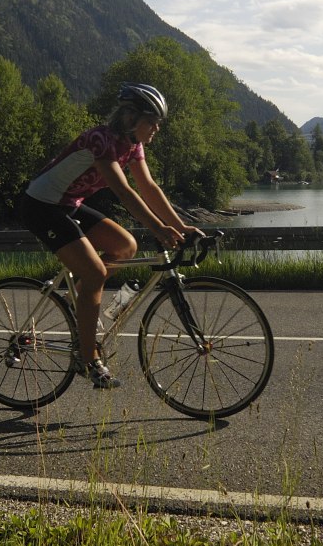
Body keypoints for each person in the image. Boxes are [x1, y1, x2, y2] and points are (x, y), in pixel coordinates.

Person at [19, 82, 198, 389]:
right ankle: (87, 360)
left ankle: (80, 303)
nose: (156, 128)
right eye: (152, 121)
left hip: (68, 204)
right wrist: (158, 228)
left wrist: (180, 226)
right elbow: (124, 191)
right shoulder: (101, 141)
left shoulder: (133, 145)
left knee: (125, 245)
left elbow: (149, 188)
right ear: (131, 118)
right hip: (40, 205)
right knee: (95, 273)